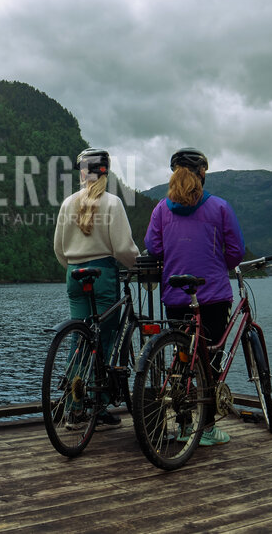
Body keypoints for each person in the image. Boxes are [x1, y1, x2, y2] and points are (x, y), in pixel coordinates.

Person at [144, 147, 245, 446]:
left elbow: (154, 247)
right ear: (202, 174)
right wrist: (216, 263)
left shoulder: (161, 209)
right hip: (212, 295)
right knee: (209, 362)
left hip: (175, 295)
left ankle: (185, 426)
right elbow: (236, 252)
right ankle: (208, 429)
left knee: (182, 359)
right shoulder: (220, 207)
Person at [54, 147, 140, 430]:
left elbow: (58, 249)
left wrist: (72, 264)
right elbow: (124, 249)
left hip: (74, 274)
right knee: (103, 339)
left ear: (82, 172)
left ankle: (72, 407)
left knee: (79, 337)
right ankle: (98, 405)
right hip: (102, 275)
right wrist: (141, 269)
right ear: (107, 171)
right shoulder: (112, 203)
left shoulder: (68, 203)